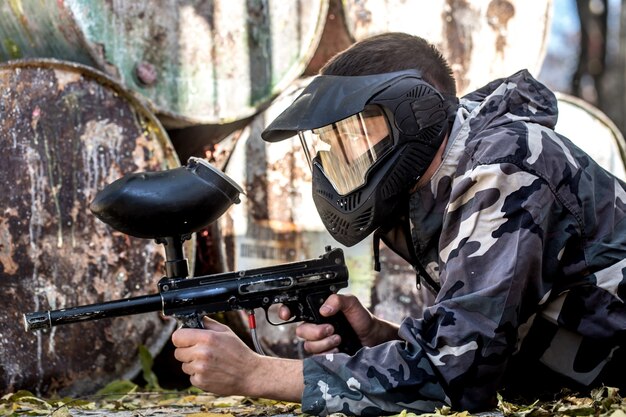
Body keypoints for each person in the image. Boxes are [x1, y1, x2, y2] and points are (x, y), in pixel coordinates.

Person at [171, 32, 626, 416]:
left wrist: (255, 373)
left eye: (354, 132)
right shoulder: (430, 187)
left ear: (412, 112)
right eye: (331, 140)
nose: (340, 156)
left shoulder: (505, 167)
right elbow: (478, 349)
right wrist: (377, 337)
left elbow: (456, 376)